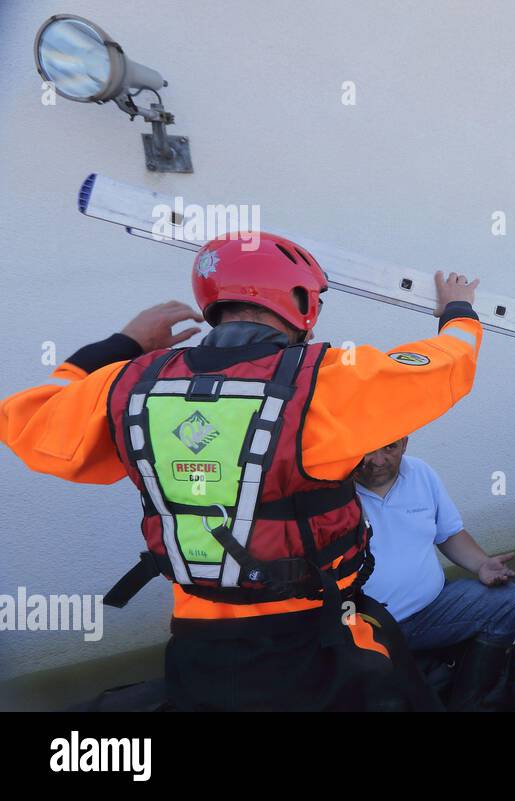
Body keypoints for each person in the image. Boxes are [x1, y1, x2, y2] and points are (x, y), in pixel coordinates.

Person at [0, 232, 483, 711]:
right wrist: (457, 311)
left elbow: (23, 417)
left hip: (200, 652)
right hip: (317, 644)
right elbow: (447, 364)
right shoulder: (325, 382)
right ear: (300, 301)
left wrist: (123, 343)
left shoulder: (125, 387)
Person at [354, 436, 515, 711]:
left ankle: (469, 703)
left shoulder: (421, 473)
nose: (378, 461)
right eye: (367, 449)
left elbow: (448, 533)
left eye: (390, 447)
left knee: (509, 601)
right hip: (369, 628)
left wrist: (481, 564)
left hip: (432, 608)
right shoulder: (332, 494)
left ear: (405, 444)